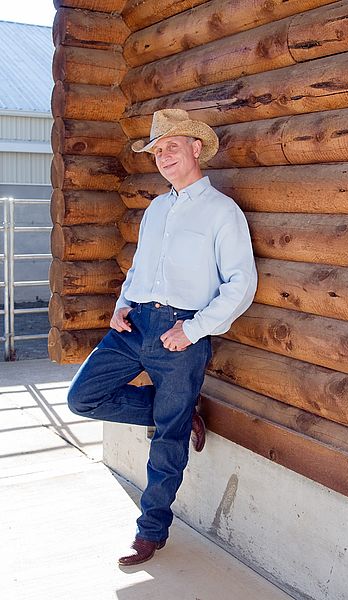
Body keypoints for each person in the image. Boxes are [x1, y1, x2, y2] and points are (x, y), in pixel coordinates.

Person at [67, 109, 258, 566]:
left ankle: (150, 532)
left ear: (196, 149)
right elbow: (139, 267)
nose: (162, 156)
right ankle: (178, 415)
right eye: (156, 149)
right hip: (134, 327)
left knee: (166, 440)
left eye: (172, 146)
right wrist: (120, 304)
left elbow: (241, 285)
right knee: (83, 399)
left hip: (181, 333)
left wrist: (191, 330)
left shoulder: (221, 212)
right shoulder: (156, 208)